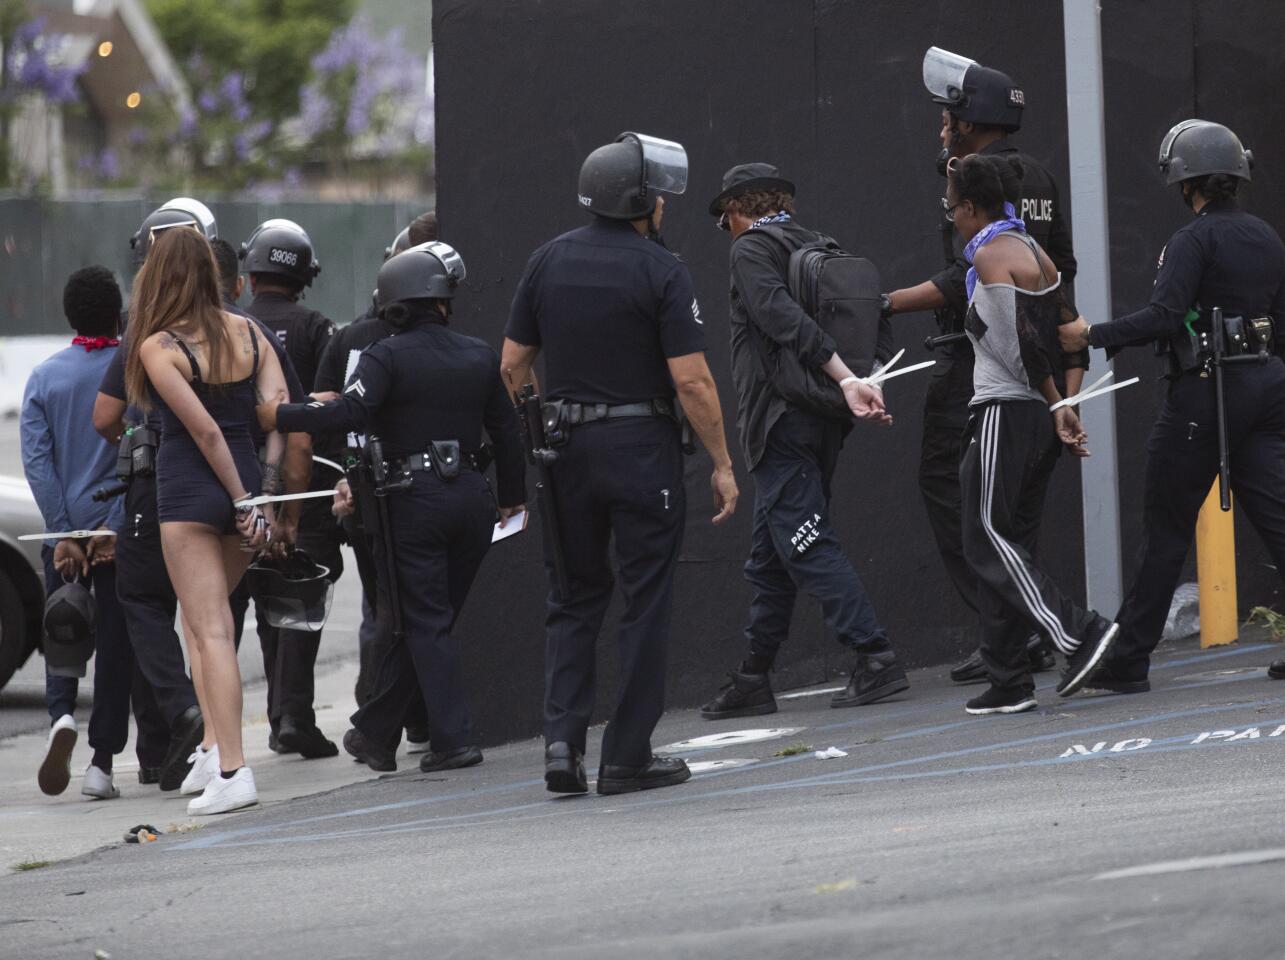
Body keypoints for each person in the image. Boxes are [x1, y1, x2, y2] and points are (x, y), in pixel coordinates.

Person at [501, 132, 739, 796]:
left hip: (565, 453)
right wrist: (721, 461)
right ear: (639, 200)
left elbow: (512, 365)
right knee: (644, 602)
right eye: (656, 192)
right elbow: (691, 382)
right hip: (641, 453)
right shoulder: (663, 270)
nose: (663, 201)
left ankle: (561, 747)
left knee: (572, 599)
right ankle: (627, 755)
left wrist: (540, 427)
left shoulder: (545, 261)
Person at [261, 241, 525, 775]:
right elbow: (507, 430)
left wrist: (279, 415)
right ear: (441, 301)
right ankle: (375, 734)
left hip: (413, 500)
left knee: (422, 621)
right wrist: (513, 496)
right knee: (429, 620)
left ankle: (454, 740)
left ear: (393, 305)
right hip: (474, 500)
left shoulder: (385, 355)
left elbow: (351, 413)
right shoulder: (479, 353)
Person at [1060, 120, 1285, 690]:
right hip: (1265, 386)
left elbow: (1165, 316)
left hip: (1203, 392)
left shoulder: (1192, 241)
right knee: (1278, 518)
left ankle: (1129, 659)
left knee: (1164, 529)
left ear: (1187, 184)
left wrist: (1090, 336)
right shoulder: (1266, 236)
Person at [884, 47, 1085, 683]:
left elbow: (963, 274)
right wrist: (1068, 365)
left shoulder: (973, 178)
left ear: (969, 121)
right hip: (1046, 353)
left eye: (949, 115)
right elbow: (1064, 270)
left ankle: (1029, 631)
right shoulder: (1042, 178)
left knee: (962, 497)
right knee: (1014, 512)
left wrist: (883, 302)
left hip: (990, 362)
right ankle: (1008, 647)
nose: (943, 125)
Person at [697, 163, 905, 721]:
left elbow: (779, 317)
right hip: (824, 417)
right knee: (771, 555)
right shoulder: (818, 244)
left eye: (724, 220)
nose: (726, 230)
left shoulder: (751, 249)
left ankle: (875, 655)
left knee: (806, 540)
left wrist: (845, 378)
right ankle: (754, 675)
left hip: (781, 418)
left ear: (739, 210)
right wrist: (867, 380)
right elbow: (873, 311)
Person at [123, 226, 289, 815]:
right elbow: (274, 420)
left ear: (158, 276)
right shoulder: (252, 332)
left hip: (191, 496)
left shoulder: (158, 346)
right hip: (243, 490)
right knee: (204, 626)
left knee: (208, 630)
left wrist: (244, 498)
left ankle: (233, 770)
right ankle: (214, 750)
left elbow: (203, 432)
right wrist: (261, 498)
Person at [944, 153, 1116, 714]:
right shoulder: (1035, 250)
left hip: (1004, 410)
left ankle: (1080, 633)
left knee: (984, 535)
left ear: (972, 207)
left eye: (952, 209)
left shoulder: (992, 254)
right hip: (1036, 416)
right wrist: (1064, 402)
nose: (951, 219)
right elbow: (1071, 333)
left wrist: (1054, 402)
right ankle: (1009, 679)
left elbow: (1017, 345)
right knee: (1006, 542)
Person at [21, 266, 160, 799]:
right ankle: (101, 763)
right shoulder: (134, 372)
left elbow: (37, 464)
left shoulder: (44, 378)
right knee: (118, 647)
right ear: (120, 313)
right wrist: (111, 528)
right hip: (120, 532)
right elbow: (142, 454)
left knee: (64, 628)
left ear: (68, 316)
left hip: (65, 537)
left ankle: (60, 713)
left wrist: (65, 534)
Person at [314, 217, 438, 750]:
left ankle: (378, 712)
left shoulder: (353, 337)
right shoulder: (425, 338)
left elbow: (320, 412)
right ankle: (402, 718)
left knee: (381, 607)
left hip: (367, 486)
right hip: (412, 485)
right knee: (411, 608)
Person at [238, 218, 341, 759]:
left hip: (241, 489)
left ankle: (282, 717)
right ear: (304, 276)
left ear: (251, 274)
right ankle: (293, 716)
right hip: (306, 489)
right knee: (304, 595)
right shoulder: (317, 327)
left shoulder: (235, 325)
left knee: (262, 598)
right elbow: (327, 405)